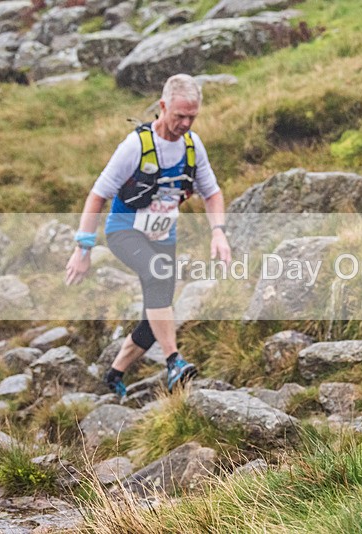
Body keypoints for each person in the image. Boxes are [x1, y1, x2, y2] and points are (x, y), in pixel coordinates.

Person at [65, 73, 231, 398]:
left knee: (154, 319)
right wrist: (83, 249)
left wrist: (218, 233)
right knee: (157, 279)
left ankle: (113, 376)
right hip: (124, 232)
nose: (185, 123)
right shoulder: (135, 147)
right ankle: (175, 362)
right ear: (163, 105)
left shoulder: (192, 146)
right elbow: (97, 195)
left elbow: (212, 193)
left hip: (163, 238)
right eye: (179, 115)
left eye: (192, 116)